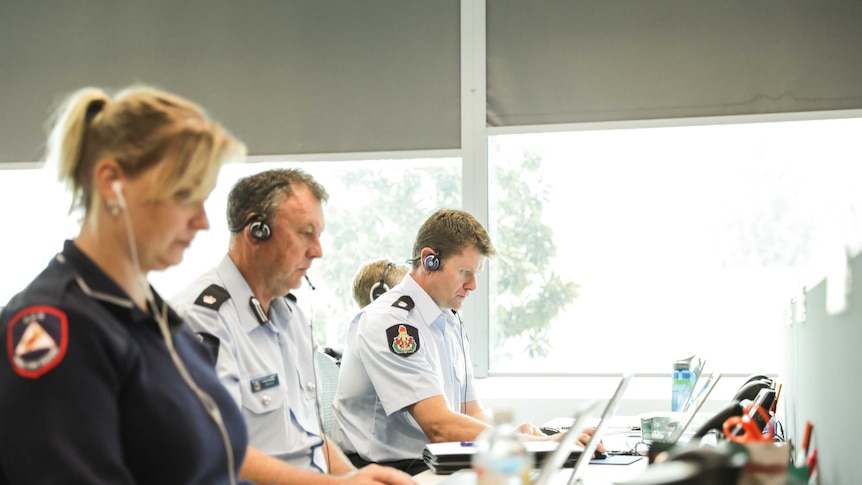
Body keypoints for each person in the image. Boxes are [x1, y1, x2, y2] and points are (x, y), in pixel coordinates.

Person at [0, 85, 250, 484]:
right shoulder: (55, 324)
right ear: (111, 182)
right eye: (185, 194)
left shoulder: (157, 319)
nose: (203, 221)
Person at [172, 169, 416, 485]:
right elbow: (218, 450)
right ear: (255, 231)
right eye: (305, 233)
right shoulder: (201, 319)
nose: (318, 250)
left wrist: (358, 478)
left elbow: (310, 437)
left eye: (318, 235)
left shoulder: (291, 317)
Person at [331, 209, 602, 474]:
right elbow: (439, 427)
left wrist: (518, 435)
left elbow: (472, 412)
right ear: (429, 261)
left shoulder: (447, 320)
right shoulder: (390, 323)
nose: (472, 285)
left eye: (476, 274)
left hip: (432, 463)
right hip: (386, 472)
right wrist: (536, 445)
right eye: (464, 272)